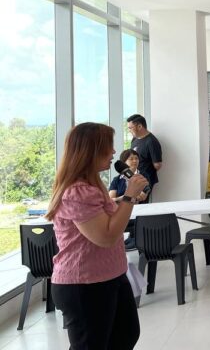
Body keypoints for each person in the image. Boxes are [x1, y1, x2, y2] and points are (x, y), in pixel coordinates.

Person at [47, 122, 148, 350]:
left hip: (110, 275)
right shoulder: (77, 191)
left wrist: (127, 198)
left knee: (126, 335)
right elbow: (106, 236)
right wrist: (129, 196)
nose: (114, 151)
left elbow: (109, 221)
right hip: (84, 283)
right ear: (90, 151)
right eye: (108, 146)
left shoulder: (93, 185)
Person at [126, 114, 162, 191]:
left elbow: (157, 165)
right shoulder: (134, 139)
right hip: (134, 177)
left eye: (130, 128)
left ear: (139, 126)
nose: (129, 131)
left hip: (145, 181)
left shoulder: (151, 141)